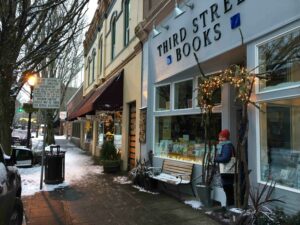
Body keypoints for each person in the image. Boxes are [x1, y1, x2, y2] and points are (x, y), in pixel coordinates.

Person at [214, 129, 235, 207]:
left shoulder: (226, 146)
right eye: (219, 137)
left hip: (227, 171)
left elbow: (225, 158)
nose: (220, 139)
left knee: (228, 189)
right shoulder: (226, 145)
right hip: (228, 172)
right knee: (228, 190)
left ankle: (229, 208)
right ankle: (229, 207)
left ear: (226, 138)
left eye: (222, 137)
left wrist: (215, 159)